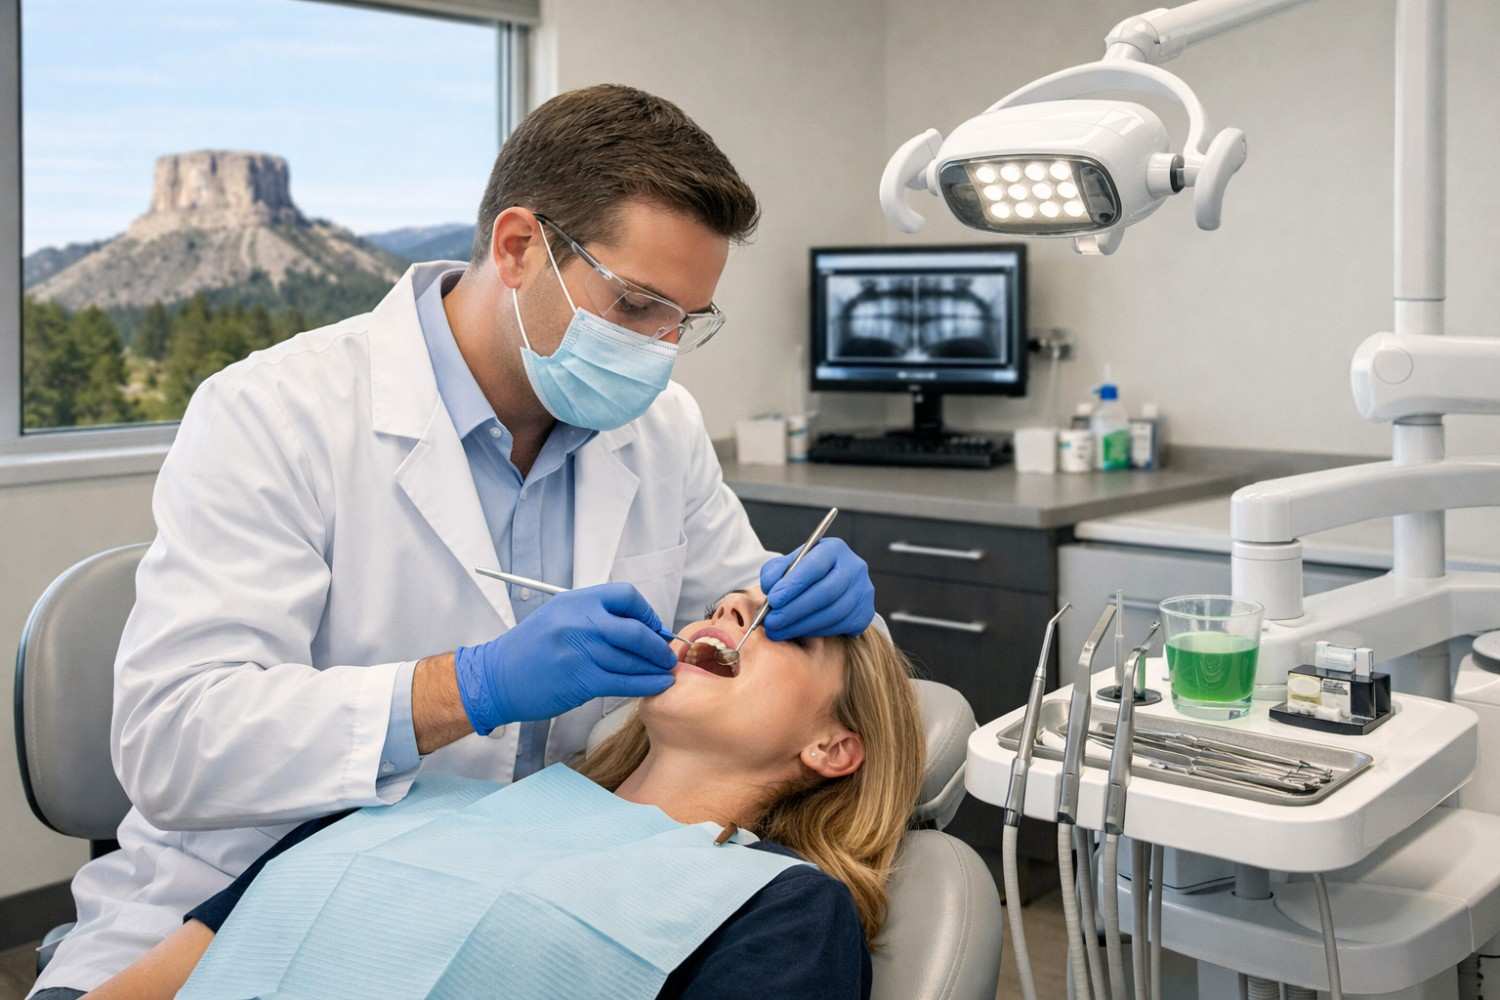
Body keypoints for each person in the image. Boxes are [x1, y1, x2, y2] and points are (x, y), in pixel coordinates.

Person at [30, 85, 879, 999]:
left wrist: (817, 605)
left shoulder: (660, 429)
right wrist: (467, 688)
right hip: (254, 892)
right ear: (518, 248)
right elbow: (173, 744)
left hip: (527, 898)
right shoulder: (274, 411)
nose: (660, 348)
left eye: (685, 319)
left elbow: (758, 630)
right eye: (636, 305)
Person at [80, 590, 924, 999]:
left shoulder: (785, 908)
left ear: (833, 747)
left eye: (785, 628)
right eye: (726, 603)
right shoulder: (413, 798)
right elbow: (164, 976)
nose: (734, 605)